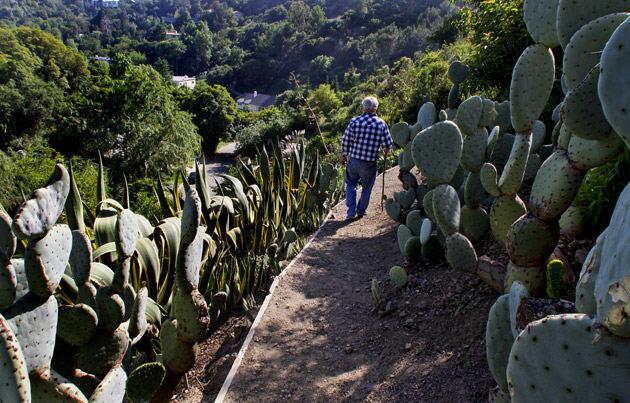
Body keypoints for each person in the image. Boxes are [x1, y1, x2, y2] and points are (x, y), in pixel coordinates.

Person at [341, 96, 393, 221]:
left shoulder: (355, 121)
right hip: (369, 163)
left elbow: (346, 139)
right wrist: (386, 150)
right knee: (367, 187)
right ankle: (361, 211)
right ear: (376, 108)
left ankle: (350, 212)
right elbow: (388, 144)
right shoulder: (381, 124)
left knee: (350, 184)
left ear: (364, 107)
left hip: (354, 160)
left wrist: (344, 155)